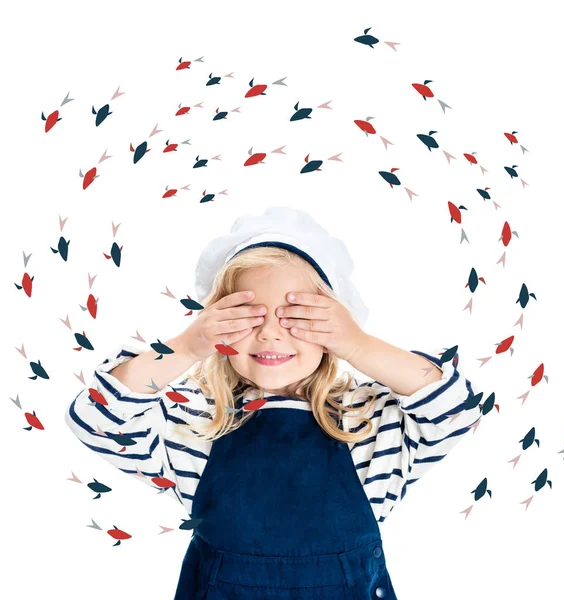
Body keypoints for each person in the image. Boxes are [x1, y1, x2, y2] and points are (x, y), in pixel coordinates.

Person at [64, 206, 482, 599]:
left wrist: (358, 344)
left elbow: (455, 409)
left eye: (297, 316)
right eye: (246, 316)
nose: (270, 334)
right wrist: (187, 347)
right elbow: (98, 416)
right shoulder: (196, 421)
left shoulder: (368, 422)